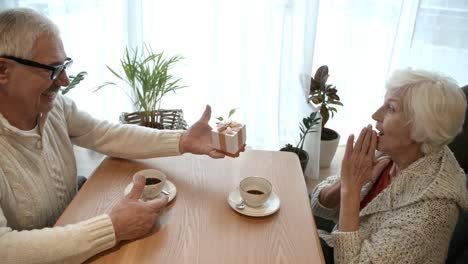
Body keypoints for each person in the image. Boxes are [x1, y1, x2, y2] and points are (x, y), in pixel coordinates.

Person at [0, 8, 236, 263]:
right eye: (53, 69)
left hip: (73, 231)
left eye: (65, 65)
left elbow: (105, 134)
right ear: (3, 70)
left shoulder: (56, 108)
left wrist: (181, 140)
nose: (65, 80)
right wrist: (112, 228)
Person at [310, 68, 468, 263]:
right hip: (336, 248)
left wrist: (351, 190)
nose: (376, 115)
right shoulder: (393, 151)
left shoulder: (429, 217)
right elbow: (318, 205)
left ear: (421, 126)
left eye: (391, 108)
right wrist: (346, 181)